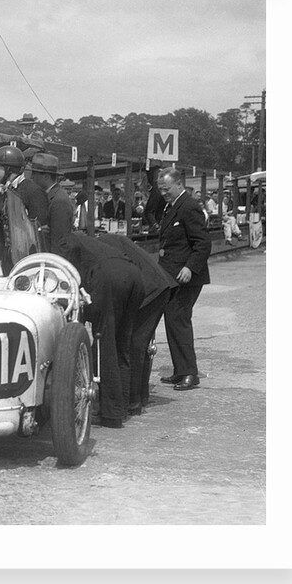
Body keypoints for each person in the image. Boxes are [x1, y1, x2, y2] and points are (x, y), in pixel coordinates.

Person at [58, 233, 145, 429]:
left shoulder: (64, 242)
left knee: (105, 345)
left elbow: (66, 278)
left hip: (109, 277)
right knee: (122, 344)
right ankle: (121, 406)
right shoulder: (90, 242)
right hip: (134, 275)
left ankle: (111, 414)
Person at [97, 233, 179, 414]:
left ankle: (132, 402)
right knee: (139, 346)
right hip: (158, 286)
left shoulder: (95, 248)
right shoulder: (105, 241)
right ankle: (139, 397)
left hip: (151, 290)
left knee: (133, 345)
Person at [156, 167, 212, 391]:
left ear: (179, 184)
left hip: (187, 277)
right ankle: (180, 371)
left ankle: (190, 373)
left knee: (179, 321)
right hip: (172, 275)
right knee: (173, 321)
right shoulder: (172, 206)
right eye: (161, 190)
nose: (163, 194)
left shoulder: (189, 206)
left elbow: (203, 242)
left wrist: (190, 267)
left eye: (166, 189)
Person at [0, 145, 42, 274]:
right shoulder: (4, 192)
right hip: (8, 259)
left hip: (29, 259)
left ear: (10, 169)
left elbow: (40, 232)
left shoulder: (32, 191)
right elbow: (0, 229)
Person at [27, 151, 73, 257]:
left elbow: (59, 241)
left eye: (35, 173)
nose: (32, 177)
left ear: (46, 176)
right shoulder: (48, 196)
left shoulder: (59, 201)